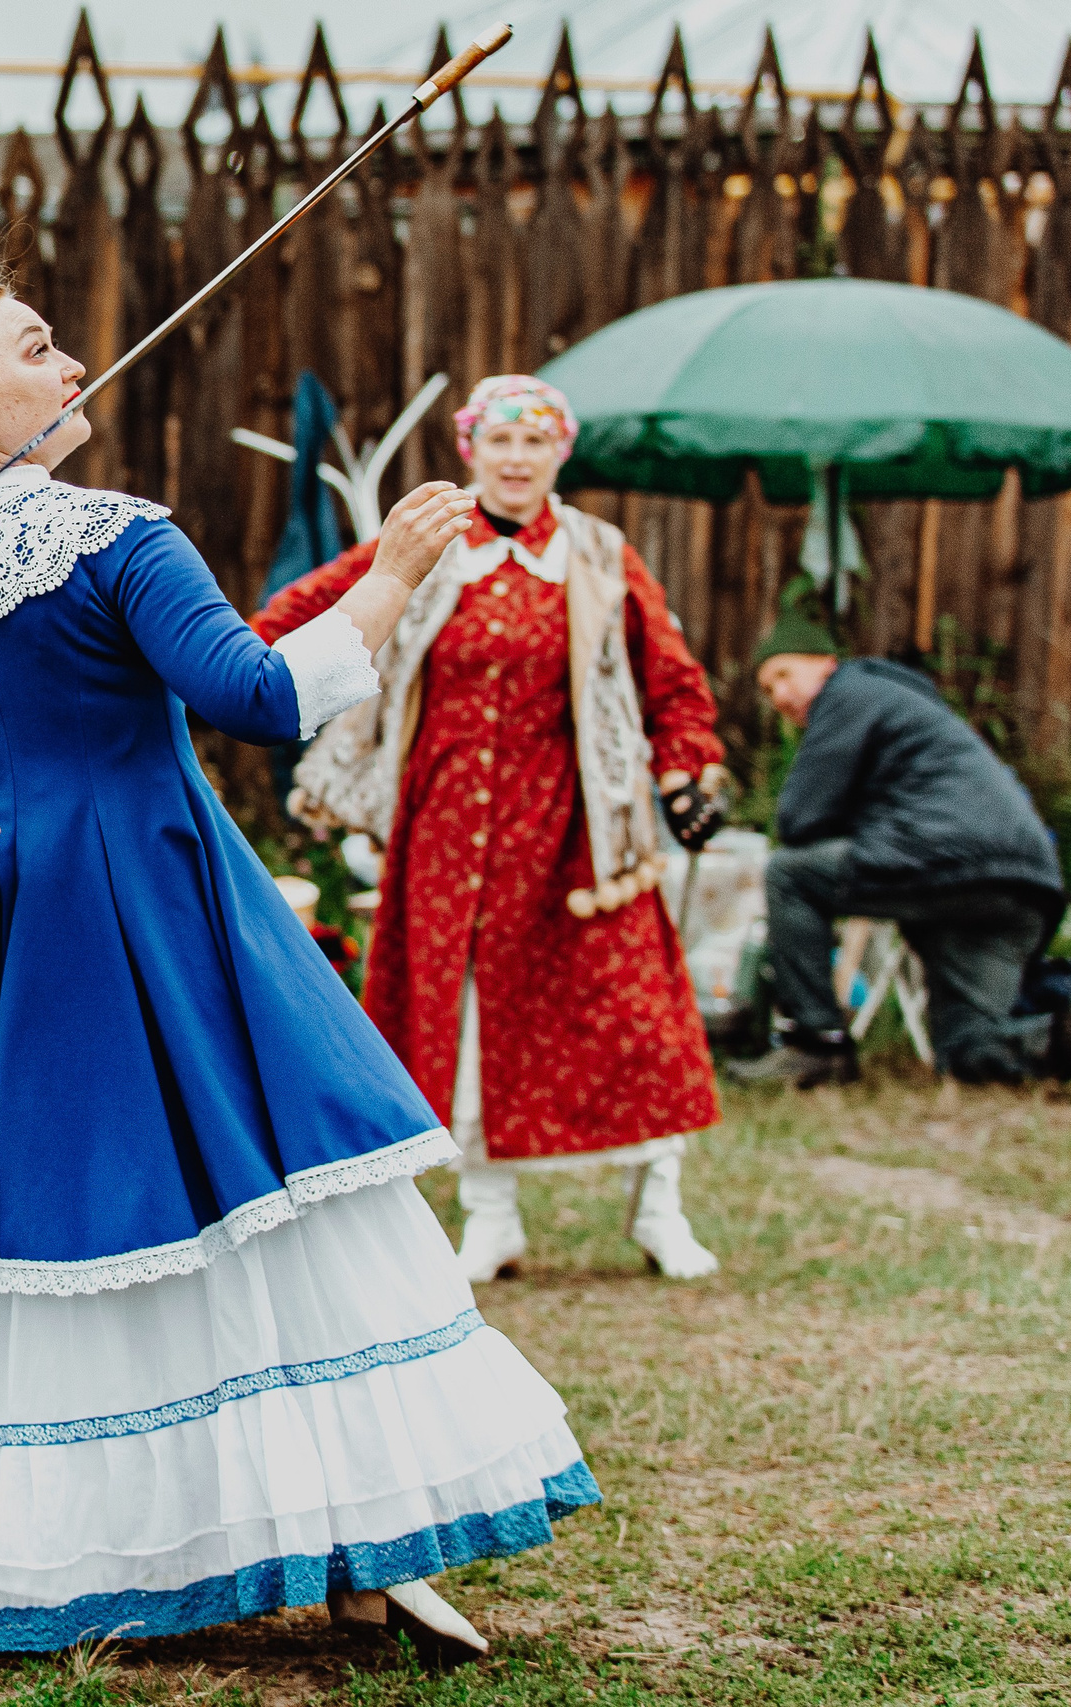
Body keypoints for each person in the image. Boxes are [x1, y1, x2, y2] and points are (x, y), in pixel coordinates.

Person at [0, 268, 599, 1658]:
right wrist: (395, 579)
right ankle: (340, 1535)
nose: (74, 366)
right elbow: (252, 695)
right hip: (148, 913)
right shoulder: (115, 535)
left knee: (93, 1223)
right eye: (38, 347)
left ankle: (337, 1537)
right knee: (253, 1205)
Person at [252, 376, 728, 1286]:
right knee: (466, 1022)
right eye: (499, 442)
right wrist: (204, 662)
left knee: (633, 1014)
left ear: (560, 454)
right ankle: (493, 1216)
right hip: (449, 838)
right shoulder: (428, 544)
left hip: (578, 831)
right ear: (471, 451)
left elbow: (670, 679)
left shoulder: (599, 552)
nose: (516, 459)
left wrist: (684, 765)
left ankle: (660, 1206)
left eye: (535, 442)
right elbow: (286, 618)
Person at [730, 617, 1071, 1104]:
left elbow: (798, 819)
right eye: (766, 688)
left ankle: (817, 1044)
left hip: (945, 858)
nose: (777, 695)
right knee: (965, 1047)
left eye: (783, 675)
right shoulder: (917, 709)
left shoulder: (847, 693)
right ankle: (1069, 1036)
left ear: (826, 663)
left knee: (791, 874)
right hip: (1023, 882)